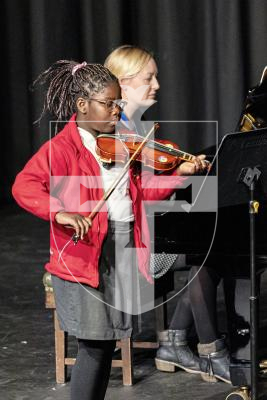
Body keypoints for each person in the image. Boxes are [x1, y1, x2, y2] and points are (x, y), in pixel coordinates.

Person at [12, 60, 206, 400]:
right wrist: (61, 213)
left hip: (122, 247)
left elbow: (144, 193)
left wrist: (181, 174)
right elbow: (24, 186)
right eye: (108, 103)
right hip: (84, 255)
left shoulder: (121, 145)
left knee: (106, 341)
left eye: (119, 103)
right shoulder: (61, 149)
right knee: (95, 343)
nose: (117, 110)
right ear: (83, 105)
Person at [105, 45, 231, 384]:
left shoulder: (136, 127)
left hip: (145, 232)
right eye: (149, 78)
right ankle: (209, 350)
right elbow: (141, 194)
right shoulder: (113, 133)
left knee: (213, 239)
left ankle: (178, 341)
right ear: (124, 83)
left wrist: (182, 167)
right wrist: (181, 175)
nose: (157, 84)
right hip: (125, 248)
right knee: (208, 249)